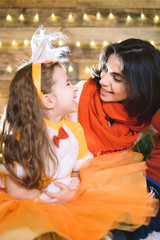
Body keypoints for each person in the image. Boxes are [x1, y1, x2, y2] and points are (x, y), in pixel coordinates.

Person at [0, 28, 158, 240]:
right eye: (105, 70)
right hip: (61, 180)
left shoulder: (142, 116)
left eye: (117, 77)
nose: (103, 80)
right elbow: (57, 146)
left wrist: (134, 189)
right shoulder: (81, 96)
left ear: (139, 86)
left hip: (93, 180)